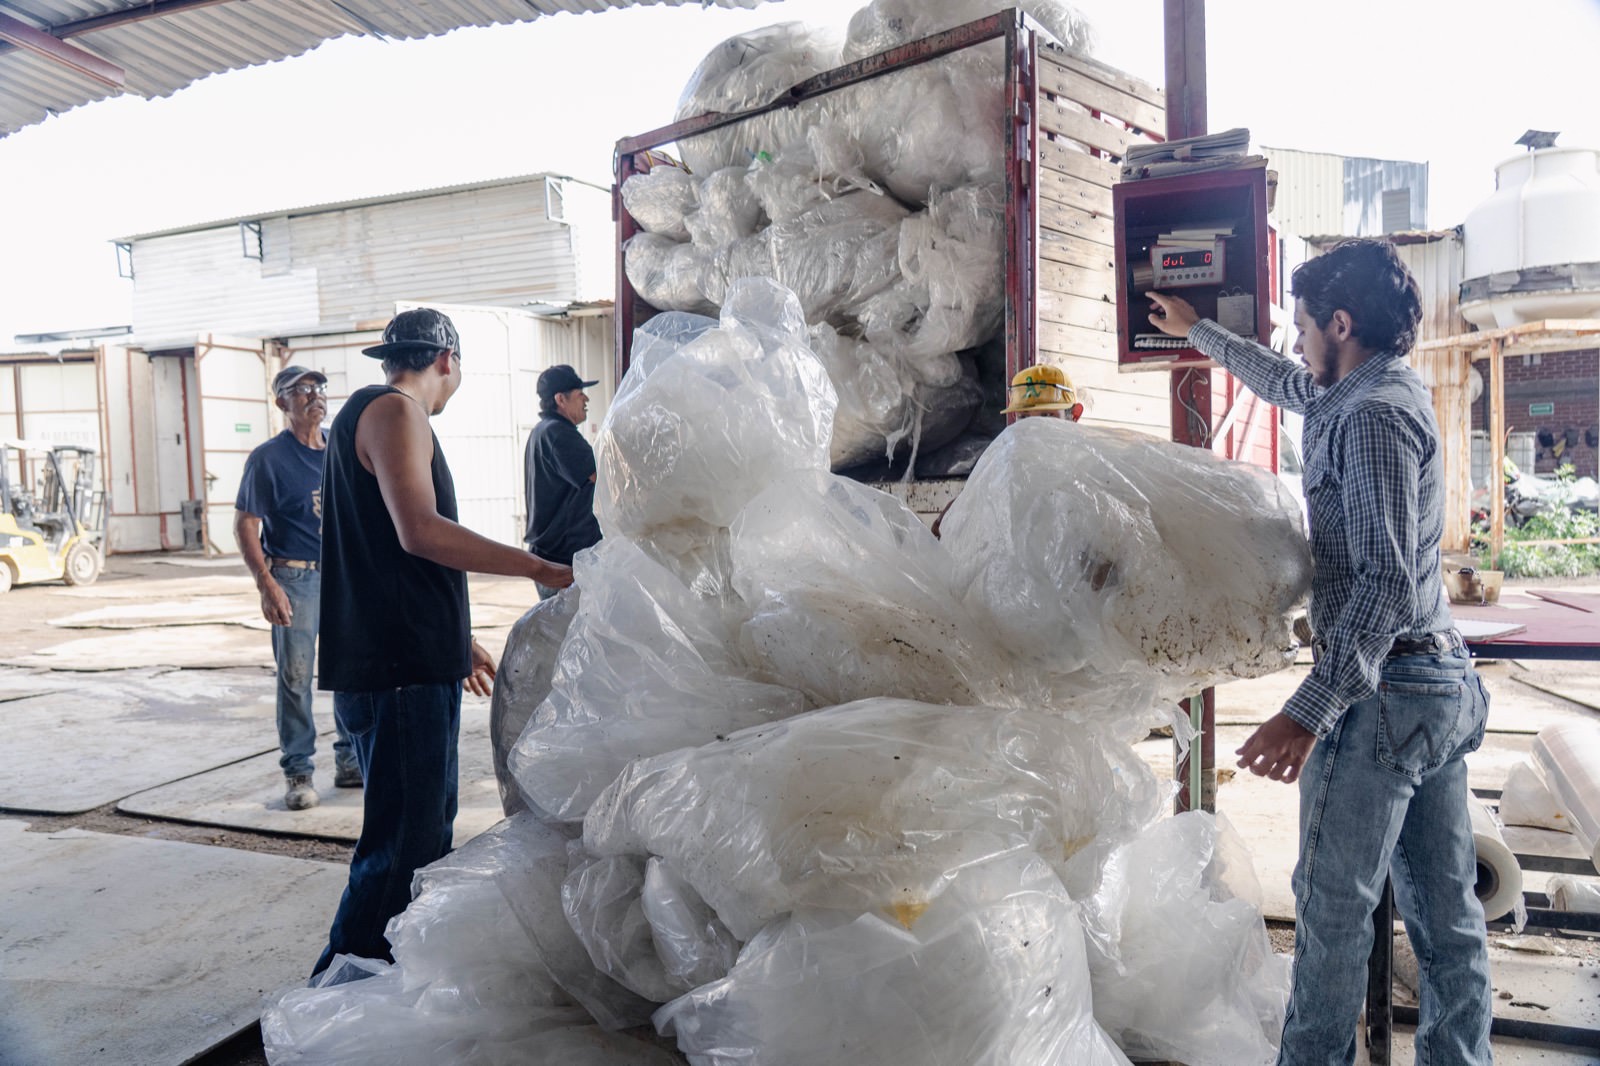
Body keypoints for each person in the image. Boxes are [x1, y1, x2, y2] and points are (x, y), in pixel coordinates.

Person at [1146, 238, 1492, 1066]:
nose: (1298, 342)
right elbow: (1290, 384)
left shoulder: (1371, 419)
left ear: (1341, 323)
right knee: (1446, 913)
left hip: (1386, 690)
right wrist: (1198, 330)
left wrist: (1308, 712)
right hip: (1434, 684)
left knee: (1333, 913)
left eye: (1303, 326)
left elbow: (1379, 588)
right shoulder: (1371, 386)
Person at [311, 307, 573, 978]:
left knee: (421, 832)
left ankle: (377, 984)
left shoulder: (367, 415)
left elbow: (391, 558)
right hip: (396, 668)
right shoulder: (396, 414)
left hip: (405, 658)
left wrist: (455, 637)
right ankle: (337, 990)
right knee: (402, 845)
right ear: (446, 361)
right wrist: (538, 566)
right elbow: (419, 532)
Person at [234, 366, 359, 812]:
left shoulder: (340, 452)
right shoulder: (268, 459)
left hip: (343, 576)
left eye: (319, 388)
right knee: (295, 677)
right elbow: (246, 524)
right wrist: (266, 584)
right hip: (294, 577)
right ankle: (299, 770)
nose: (314, 396)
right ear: (281, 403)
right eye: (302, 390)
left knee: (352, 672)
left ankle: (350, 761)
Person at [930, 364, 1084, 539]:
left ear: (1074, 416)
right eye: (1024, 417)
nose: (1034, 428)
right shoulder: (1001, 472)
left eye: (1047, 416)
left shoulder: (1087, 478)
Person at [523, 364, 602, 598]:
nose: (586, 398)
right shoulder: (558, 433)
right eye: (579, 394)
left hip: (551, 556)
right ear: (561, 399)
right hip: (562, 563)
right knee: (570, 633)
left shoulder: (543, 431)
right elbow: (604, 478)